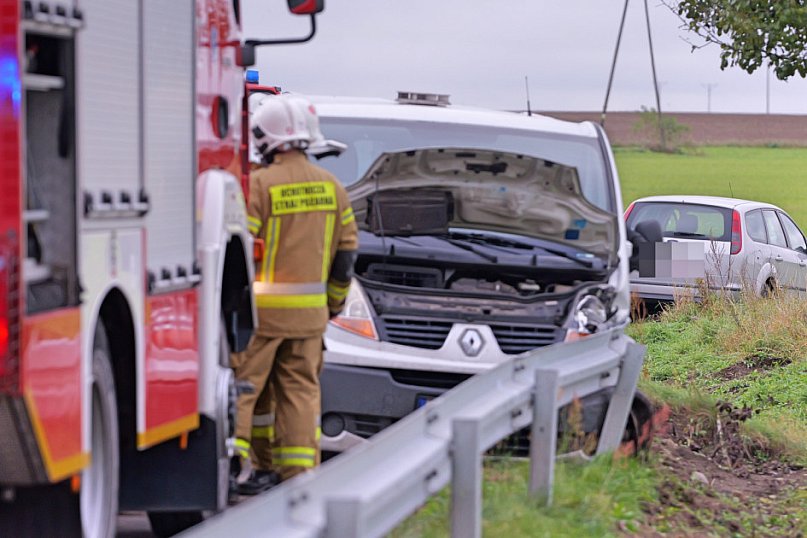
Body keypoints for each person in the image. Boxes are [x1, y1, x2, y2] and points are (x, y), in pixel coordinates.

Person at [233, 94, 358, 495]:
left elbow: (240, 249)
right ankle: (299, 477)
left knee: (245, 388)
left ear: (265, 139)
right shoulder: (332, 187)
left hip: (260, 316)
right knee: (300, 393)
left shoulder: (259, 185)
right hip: (309, 319)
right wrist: (333, 304)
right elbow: (346, 255)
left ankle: (235, 466)